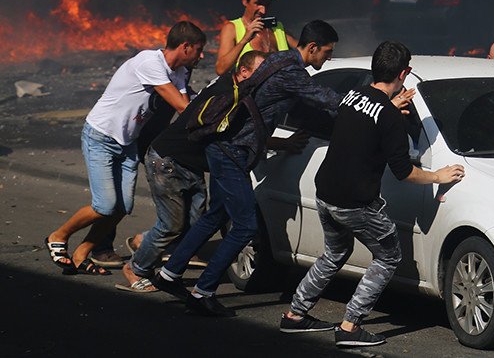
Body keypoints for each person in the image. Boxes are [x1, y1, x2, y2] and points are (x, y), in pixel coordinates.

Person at [152, 20, 345, 317]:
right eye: (327, 52)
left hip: (222, 147)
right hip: (231, 152)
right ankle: (203, 292)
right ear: (313, 48)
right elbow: (326, 99)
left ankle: (169, 274)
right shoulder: (292, 71)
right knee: (245, 226)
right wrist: (374, 104)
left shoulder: (278, 59)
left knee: (216, 214)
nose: (328, 58)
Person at [280, 41, 465, 347]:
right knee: (388, 256)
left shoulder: (354, 96)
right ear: (403, 73)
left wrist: (389, 107)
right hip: (354, 203)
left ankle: (295, 316)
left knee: (335, 253)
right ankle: (350, 326)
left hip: (325, 193)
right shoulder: (389, 117)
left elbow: (365, 117)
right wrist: (438, 175)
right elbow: (404, 171)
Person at [44, 21, 206, 276]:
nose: (202, 55)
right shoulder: (150, 62)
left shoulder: (179, 72)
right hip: (101, 136)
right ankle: (58, 236)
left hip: (127, 142)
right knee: (105, 206)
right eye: (198, 49)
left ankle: (81, 254)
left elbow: (187, 104)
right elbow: (184, 108)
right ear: (185, 47)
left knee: (122, 207)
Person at [117, 51, 267, 293]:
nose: (263, 78)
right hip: (167, 161)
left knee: (196, 222)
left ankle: (146, 245)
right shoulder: (226, 94)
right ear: (243, 72)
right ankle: (135, 268)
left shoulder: (235, 88)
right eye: (258, 72)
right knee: (171, 225)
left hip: (189, 163)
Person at [214, 0, 299, 76]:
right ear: (245, 0)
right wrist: (245, 39)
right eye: (258, 3)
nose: (263, 10)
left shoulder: (277, 28)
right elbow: (220, 69)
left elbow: (305, 53)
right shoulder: (232, 28)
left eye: (267, 4)